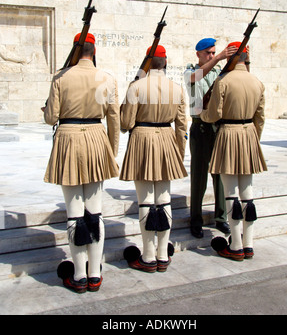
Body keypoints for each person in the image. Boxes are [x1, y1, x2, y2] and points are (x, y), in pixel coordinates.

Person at [42, 33, 120, 292]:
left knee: (75, 212)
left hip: (69, 140)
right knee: (95, 211)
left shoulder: (61, 77)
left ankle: (78, 275)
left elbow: (51, 118)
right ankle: (95, 273)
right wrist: (111, 151)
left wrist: (46, 111)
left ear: (75, 51)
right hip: (97, 140)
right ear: (94, 50)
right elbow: (114, 119)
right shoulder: (108, 78)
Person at [120, 45, 188, 273]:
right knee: (164, 199)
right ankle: (162, 255)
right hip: (167, 140)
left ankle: (148, 257)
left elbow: (126, 124)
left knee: (146, 201)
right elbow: (181, 126)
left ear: (148, 63)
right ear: (165, 63)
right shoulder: (177, 89)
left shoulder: (136, 87)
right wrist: (178, 153)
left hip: (142, 139)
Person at [200, 41, 267, 261]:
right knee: (247, 194)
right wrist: (253, 138)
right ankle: (248, 244)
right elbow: (260, 117)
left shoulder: (224, 81)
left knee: (231, 193)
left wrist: (202, 115)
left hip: (228, 133)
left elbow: (214, 114)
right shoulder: (257, 82)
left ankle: (236, 245)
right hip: (248, 134)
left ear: (230, 58)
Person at [184, 38, 237, 238]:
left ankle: (221, 217)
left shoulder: (219, 73)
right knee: (199, 177)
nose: (212, 56)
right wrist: (220, 59)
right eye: (209, 53)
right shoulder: (189, 71)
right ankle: (195, 219)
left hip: (217, 128)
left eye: (214, 53)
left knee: (220, 176)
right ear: (198, 54)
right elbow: (196, 77)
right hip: (199, 128)